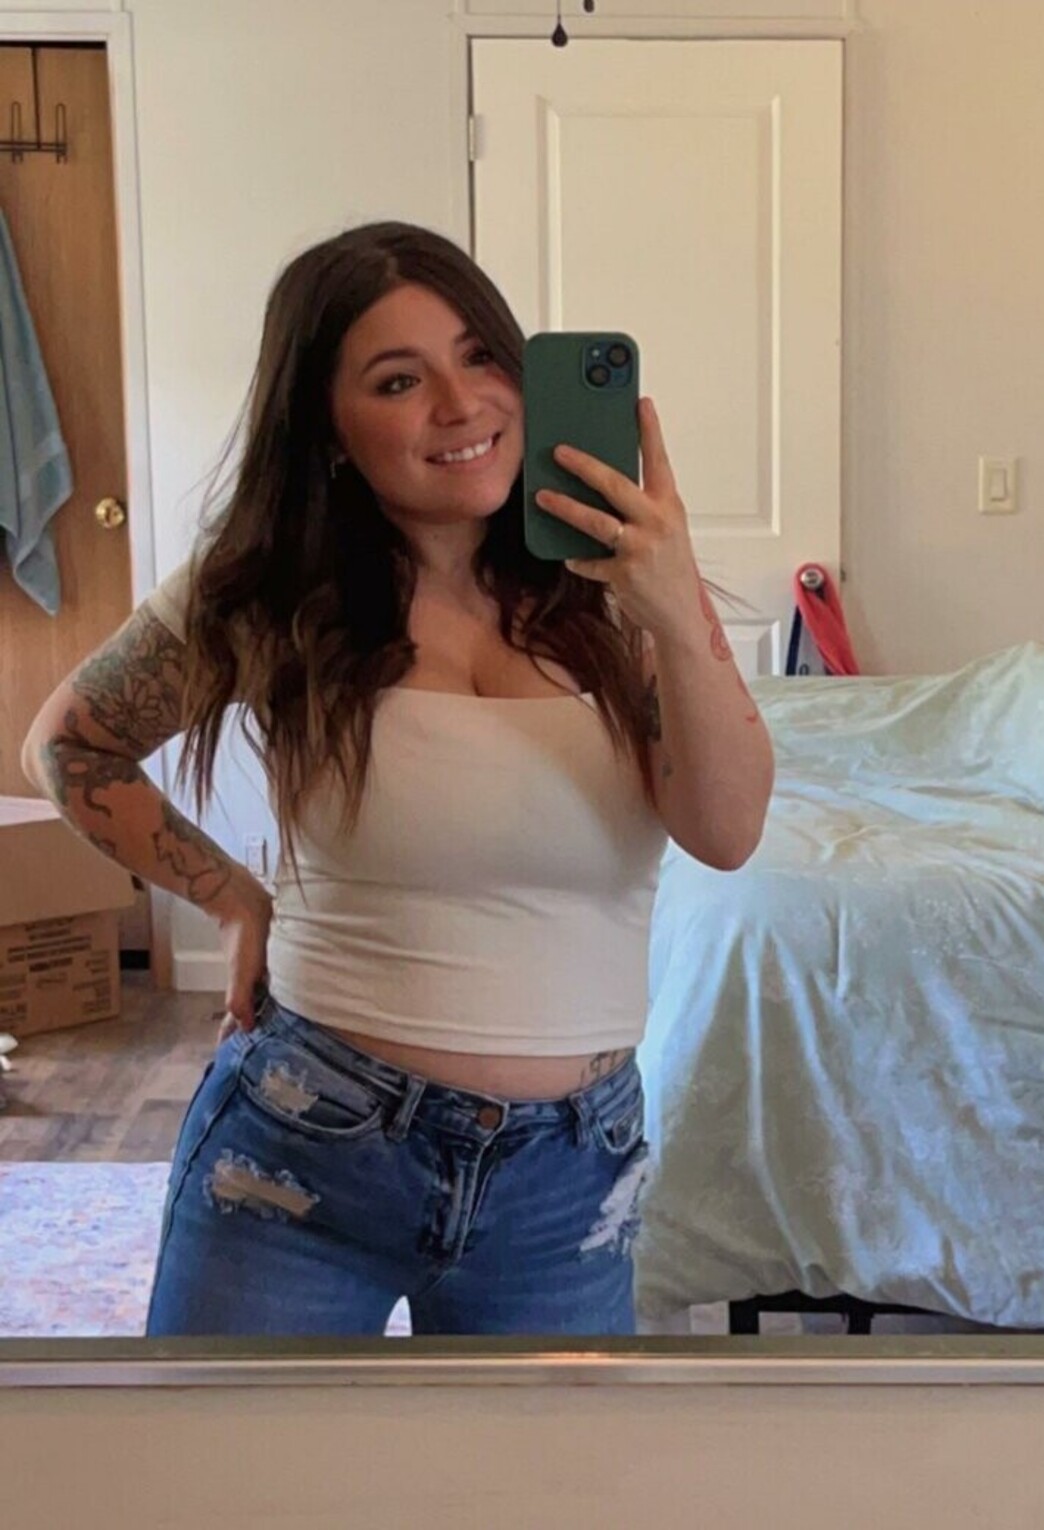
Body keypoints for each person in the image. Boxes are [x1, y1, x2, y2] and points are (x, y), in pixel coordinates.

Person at [21, 222, 774, 1337]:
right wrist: (232, 900)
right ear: (328, 429)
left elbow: (727, 829)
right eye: (397, 380)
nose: (461, 406)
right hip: (304, 1149)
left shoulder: (622, 590)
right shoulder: (267, 594)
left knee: (544, 1460)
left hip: (567, 1183)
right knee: (224, 1451)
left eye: (480, 356)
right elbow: (70, 747)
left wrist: (671, 598)